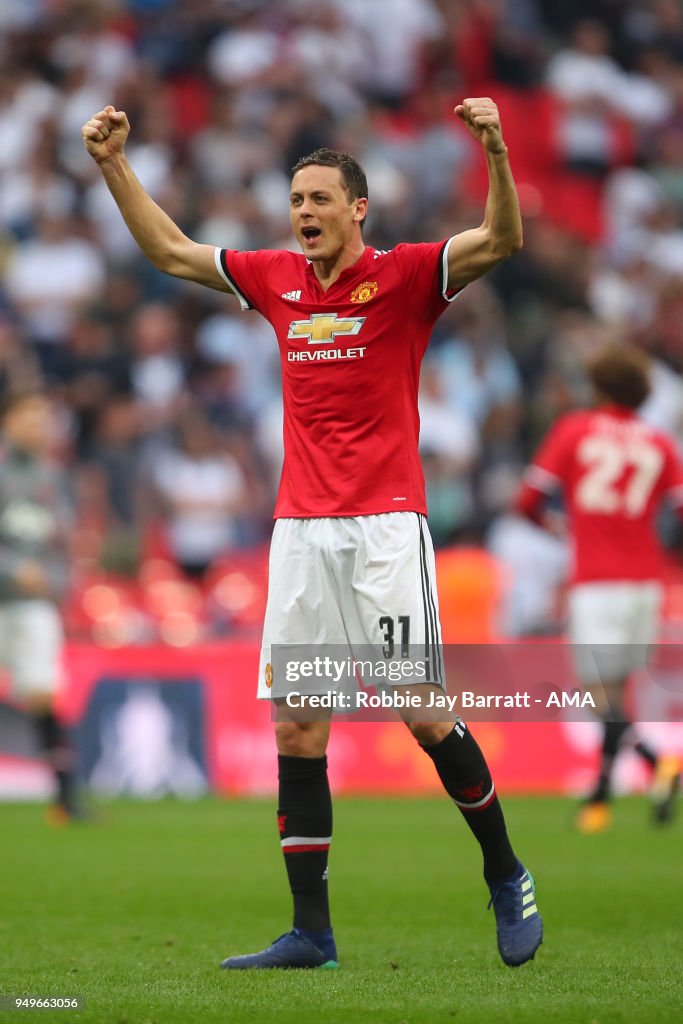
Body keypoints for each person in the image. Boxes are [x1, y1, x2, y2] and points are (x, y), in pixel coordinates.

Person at [82, 98, 543, 969]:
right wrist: (112, 165)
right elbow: (172, 252)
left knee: (421, 710)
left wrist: (494, 148)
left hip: (383, 528)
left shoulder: (407, 275)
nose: (303, 213)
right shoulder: (275, 280)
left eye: (320, 199)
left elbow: (500, 241)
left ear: (357, 209)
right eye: (296, 199)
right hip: (300, 530)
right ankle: (312, 932)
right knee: (298, 729)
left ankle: (506, 872)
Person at [517, 344, 683, 833]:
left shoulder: (575, 430)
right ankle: (604, 793)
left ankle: (654, 763)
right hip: (645, 580)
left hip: (596, 579)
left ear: (600, 386)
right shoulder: (659, 442)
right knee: (616, 692)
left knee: (596, 696)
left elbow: (529, 500)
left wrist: (564, 531)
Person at [0, 390, 81, 822]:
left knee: (43, 692)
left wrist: (56, 582)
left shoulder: (54, 476)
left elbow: (63, 541)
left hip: (33, 602)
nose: (38, 425)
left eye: (44, 418)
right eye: (29, 416)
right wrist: (12, 568)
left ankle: (66, 799)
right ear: (8, 421)